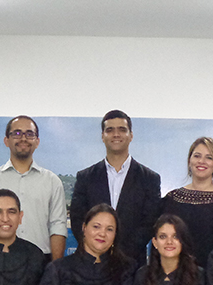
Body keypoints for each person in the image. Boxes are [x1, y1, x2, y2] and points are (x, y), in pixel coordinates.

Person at [69, 110, 161, 266]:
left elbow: (150, 223)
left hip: (132, 265)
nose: (116, 134)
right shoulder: (85, 177)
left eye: (122, 130)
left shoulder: (149, 179)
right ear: (102, 136)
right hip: (92, 264)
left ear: (131, 135)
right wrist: (96, 251)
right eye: (110, 130)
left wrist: (120, 255)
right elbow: (78, 219)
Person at [0, 115, 67, 262]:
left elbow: (57, 226)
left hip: (41, 260)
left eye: (29, 134)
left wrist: (55, 268)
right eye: (17, 133)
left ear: (37, 142)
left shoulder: (52, 181)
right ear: (6, 141)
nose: (23, 138)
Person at [161, 137, 213, 267]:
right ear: (189, 161)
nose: (201, 161)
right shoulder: (172, 199)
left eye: (209, 157)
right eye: (197, 156)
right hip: (177, 274)